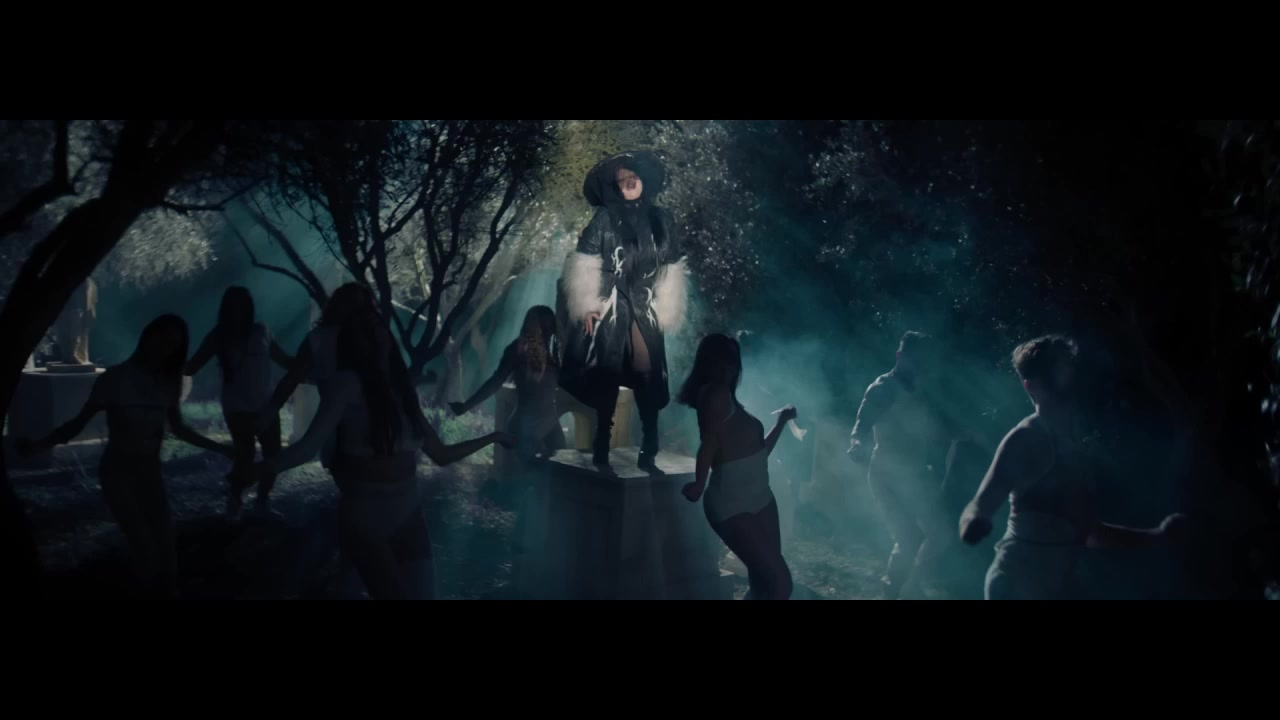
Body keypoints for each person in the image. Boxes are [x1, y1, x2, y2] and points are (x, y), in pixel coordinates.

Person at [248, 317, 511, 600]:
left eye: (379, 331)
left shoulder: (402, 391)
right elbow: (307, 447)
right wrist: (259, 469)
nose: (376, 338)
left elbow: (441, 454)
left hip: (408, 512)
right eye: (367, 333)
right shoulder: (345, 385)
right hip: (365, 513)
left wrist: (493, 437)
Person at [17, 315, 234, 597]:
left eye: (173, 344)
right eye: (162, 338)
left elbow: (179, 428)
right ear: (148, 336)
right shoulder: (115, 379)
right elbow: (77, 424)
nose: (165, 347)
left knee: (166, 546)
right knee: (144, 546)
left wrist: (220, 447)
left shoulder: (167, 383)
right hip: (118, 474)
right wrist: (39, 445)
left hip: (150, 474)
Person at [959, 334, 1187, 600]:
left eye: (1068, 368)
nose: (1067, 378)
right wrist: (973, 523)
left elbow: (1087, 532)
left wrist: (1157, 536)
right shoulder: (1027, 438)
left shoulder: (1074, 444)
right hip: (1014, 587)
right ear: (1030, 386)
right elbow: (980, 505)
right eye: (1056, 371)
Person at [558, 151, 688, 469]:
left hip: (644, 304)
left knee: (647, 371)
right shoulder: (604, 219)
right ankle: (602, 440)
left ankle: (650, 442)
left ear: (643, 181)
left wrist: (666, 302)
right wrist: (588, 305)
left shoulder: (661, 219)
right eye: (621, 181)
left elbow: (671, 262)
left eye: (633, 178)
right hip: (611, 304)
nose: (628, 184)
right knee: (607, 373)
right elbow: (587, 258)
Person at [678, 333, 795, 600]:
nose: (729, 368)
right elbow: (708, 444)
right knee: (780, 585)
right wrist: (699, 484)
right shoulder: (715, 395)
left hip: (760, 494)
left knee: (765, 584)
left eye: (733, 361)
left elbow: (759, 453)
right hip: (732, 500)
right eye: (722, 360)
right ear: (708, 362)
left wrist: (781, 422)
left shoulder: (727, 399)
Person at [848, 331, 952, 599]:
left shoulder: (923, 387)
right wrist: (857, 445)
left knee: (941, 533)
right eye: (914, 359)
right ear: (899, 356)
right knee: (908, 538)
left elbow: (933, 429)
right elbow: (860, 427)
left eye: (923, 360)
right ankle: (892, 592)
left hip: (917, 474)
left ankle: (910, 585)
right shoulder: (883, 388)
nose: (919, 365)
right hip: (886, 474)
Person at [185, 286, 292, 518]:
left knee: (273, 454)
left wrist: (308, 367)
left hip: (265, 404)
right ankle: (235, 501)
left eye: (242, 305)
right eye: (234, 305)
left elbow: (284, 360)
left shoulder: (261, 331)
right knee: (245, 454)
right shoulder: (218, 336)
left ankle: (261, 501)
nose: (238, 310)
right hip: (237, 407)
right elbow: (192, 366)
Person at [451, 305, 566, 463]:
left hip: (551, 427)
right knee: (531, 474)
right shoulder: (518, 349)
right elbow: (496, 381)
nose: (548, 332)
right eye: (545, 328)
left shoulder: (553, 352)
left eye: (549, 328)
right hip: (527, 428)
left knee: (560, 472)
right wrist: (466, 406)